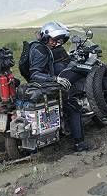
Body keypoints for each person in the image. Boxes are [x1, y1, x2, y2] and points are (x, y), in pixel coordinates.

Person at [28, 21, 89, 152]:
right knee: (74, 107)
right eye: (53, 41)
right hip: (46, 85)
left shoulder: (38, 47)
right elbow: (35, 73)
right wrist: (55, 79)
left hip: (44, 84)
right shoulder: (41, 50)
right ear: (45, 37)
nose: (55, 44)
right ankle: (80, 144)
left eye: (57, 41)